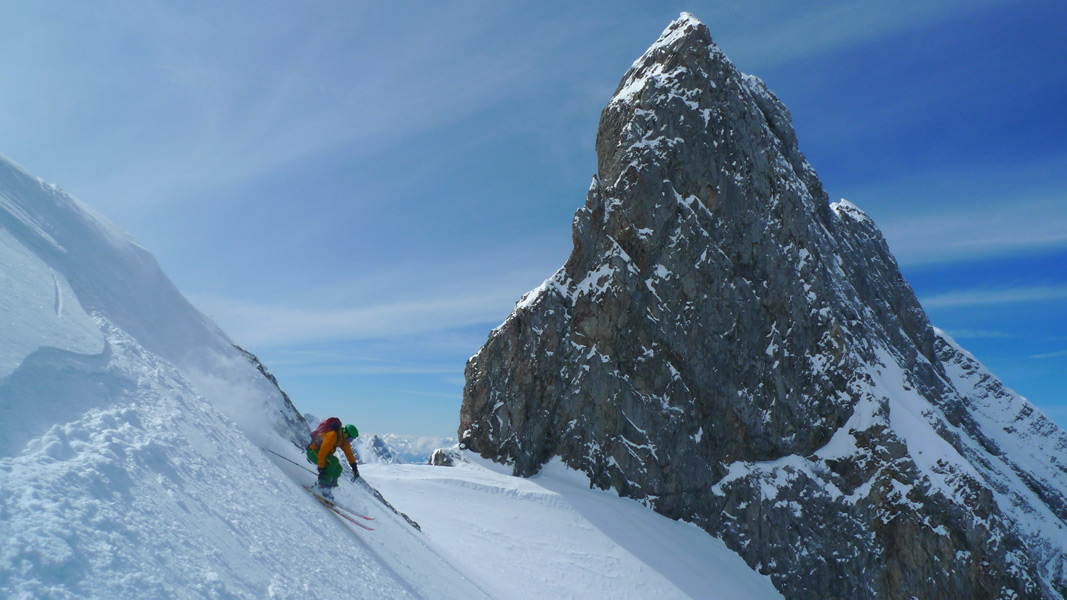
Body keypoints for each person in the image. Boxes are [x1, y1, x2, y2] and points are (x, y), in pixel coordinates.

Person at [306, 417, 360, 498]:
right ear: (346, 434)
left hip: (321, 454)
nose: (350, 441)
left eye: (352, 439)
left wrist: (355, 468)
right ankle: (322, 487)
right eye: (350, 438)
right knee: (334, 461)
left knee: (338, 468)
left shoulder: (344, 440)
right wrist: (321, 469)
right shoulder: (332, 435)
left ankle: (328, 488)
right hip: (313, 452)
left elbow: (349, 454)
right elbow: (322, 453)